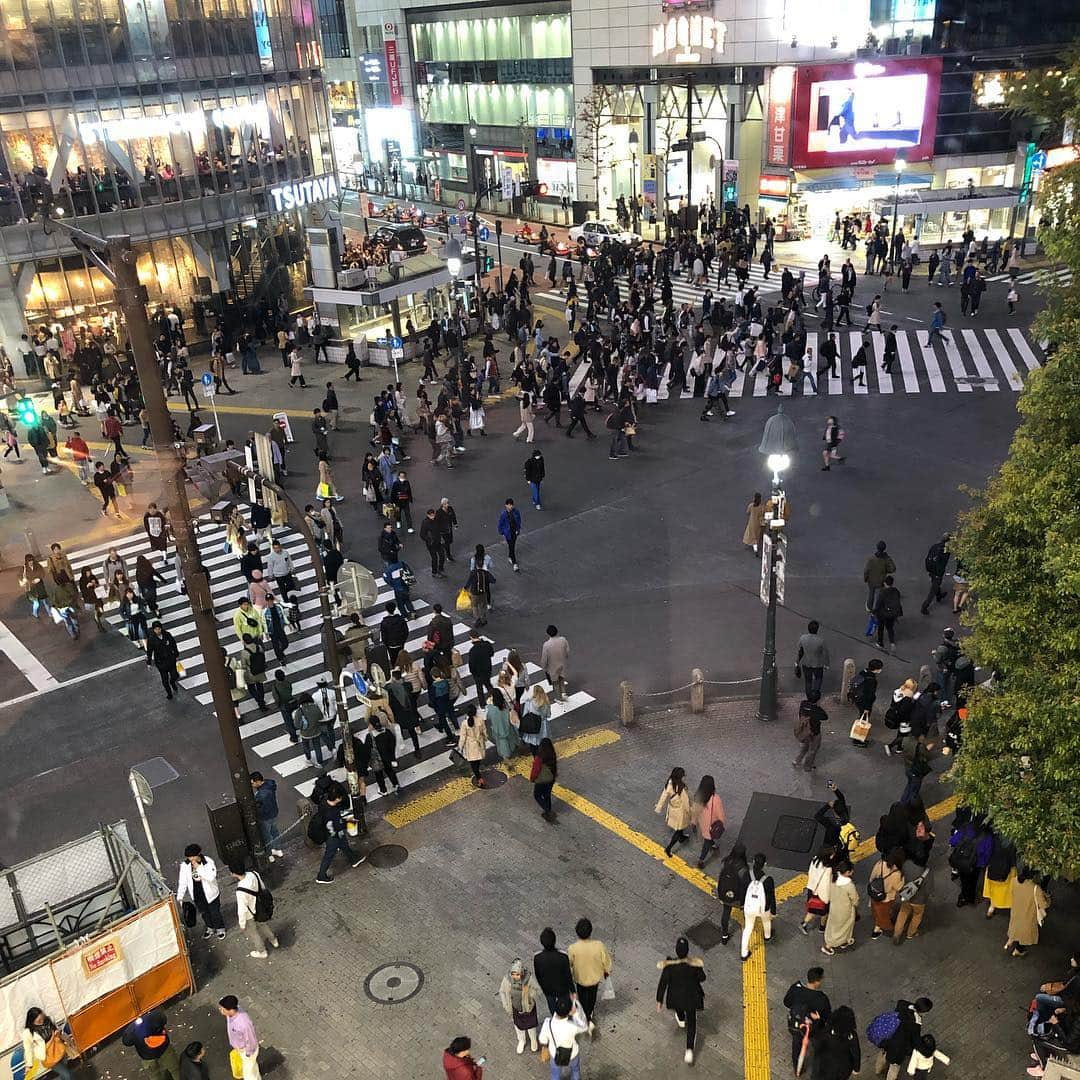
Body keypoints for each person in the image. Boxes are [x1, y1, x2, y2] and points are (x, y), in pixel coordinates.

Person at [655, 936, 706, 1064]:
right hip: (691, 997)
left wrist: (659, 1000)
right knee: (692, 1022)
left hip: (675, 997)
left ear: (676, 951)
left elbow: (663, 982)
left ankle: (681, 1020)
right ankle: (689, 1049)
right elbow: (702, 978)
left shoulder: (670, 965)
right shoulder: (693, 964)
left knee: (679, 1008)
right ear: (687, 950)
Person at [784, 967, 832, 1075]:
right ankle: (818, 1066)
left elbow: (786, 1002)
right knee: (818, 1045)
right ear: (817, 981)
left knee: (796, 1046)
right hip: (812, 1029)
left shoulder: (796, 988)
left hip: (795, 1025)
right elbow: (826, 1017)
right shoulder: (822, 998)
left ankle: (797, 1068)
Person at [567, 917, 612, 1034]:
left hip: (580, 979)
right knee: (592, 996)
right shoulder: (599, 945)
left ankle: (583, 1014)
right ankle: (589, 1012)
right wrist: (607, 971)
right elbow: (606, 961)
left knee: (581, 996)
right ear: (590, 931)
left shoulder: (573, 948)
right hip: (594, 980)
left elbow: (569, 963)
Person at [313, 786, 365, 883]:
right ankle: (321, 875)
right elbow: (338, 826)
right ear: (337, 798)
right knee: (329, 855)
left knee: (344, 844)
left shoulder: (324, 802)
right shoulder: (332, 812)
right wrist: (350, 822)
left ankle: (353, 859)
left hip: (329, 832)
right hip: (333, 836)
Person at [875, 998, 934, 1080]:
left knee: (883, 1054)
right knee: (894, 1067)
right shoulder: (915, 1025)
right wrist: (928, 1052)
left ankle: (878, 1070)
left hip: (887, 1038)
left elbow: (900, 1002)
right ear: (923, 1012)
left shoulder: (903, 1005)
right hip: (897, 1048)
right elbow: (917, 1042)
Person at [229, 862, 279, 958]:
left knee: (253, 933)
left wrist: (242, 924)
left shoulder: (240, 891)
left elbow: (242, 909)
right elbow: (262, 887)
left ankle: (262, 951)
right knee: (263, 925)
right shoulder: (254, 874)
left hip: (250, 914)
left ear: (233, 874)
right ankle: (273, 940)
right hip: (260, 908)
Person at [177, 843, 225, 939]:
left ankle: (220, 928)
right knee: (204, 913)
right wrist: (180, 896)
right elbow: (183, 881)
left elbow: (211, 877)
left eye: (192, 857)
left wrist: (198, 867)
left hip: (211, 894)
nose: (190, 860)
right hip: (197, 894)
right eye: (189, 858)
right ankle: (210, 928)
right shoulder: (185, 865)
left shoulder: (208, 861)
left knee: (215, 912)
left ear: (198, 855)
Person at [121, 1010, 182, 1080]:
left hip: (147, 1056)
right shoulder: (156, 1016)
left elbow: (127, 1042)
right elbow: (163, 1020)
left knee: (155, 1076)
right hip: (164, 1048)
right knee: (175, 1069)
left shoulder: (130, 1031)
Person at [1005, 865, 1050, 957]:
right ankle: (1018, 950)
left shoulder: (1014, 880)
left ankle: (1011, 939)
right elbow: (1044, 905)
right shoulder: (1035, 888)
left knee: (1015, 925)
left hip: (1016, 909)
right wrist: (1048, 898)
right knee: (1024, 932)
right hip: (1028, 913)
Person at [538, 997, 588, 1080]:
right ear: (569, 1011)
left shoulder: (548, 1023)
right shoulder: (574, 1025)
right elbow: (585, 1027)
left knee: (555, 1075)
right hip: (572, 1054)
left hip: (555, 1055)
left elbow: (542, 1039)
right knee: (575, 1070)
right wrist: (576, 1010)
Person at [499, 959, 540, 1054]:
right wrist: (505, 1004)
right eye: (513, 974)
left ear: (521, 973)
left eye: (517, 974)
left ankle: (533, 1040)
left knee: (531, 1026)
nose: (515, 976)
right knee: (518, 1026)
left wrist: (530, 993)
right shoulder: (507, 979)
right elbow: (502, 991)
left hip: (528, 1008)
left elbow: (537, 990)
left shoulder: (528, 979)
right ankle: (522, 1040)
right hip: (515, 1008)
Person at [741, 852, 776, 961]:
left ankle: (744, 953)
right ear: (765, 864)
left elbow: (742, 891)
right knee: (766, 921)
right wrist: (773, 911)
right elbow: (772, 896)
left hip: (749, 907)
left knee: (748, 928)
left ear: (753, 862)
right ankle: (767, 936)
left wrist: (742, 904)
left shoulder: (747, 875)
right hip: (763, 908)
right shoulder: (768, 879)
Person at [714, 841, 751, 945]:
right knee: (746, 915)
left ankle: (724, 935)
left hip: (725, 894)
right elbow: (746, 885)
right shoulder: (743, 869)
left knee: (726, 914)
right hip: (738, 898)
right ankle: (746, 934)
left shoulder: (727, 861)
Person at [811, 1005, 861, 1080]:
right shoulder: (851, 1035)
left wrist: (818, 1021)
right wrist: (856, 1068)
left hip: (823, 1068)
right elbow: (856, 1053)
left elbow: (816, 1042)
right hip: (843, 1069)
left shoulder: (828, 1030)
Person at [22, 1007, 74, 1079]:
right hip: (47, 1056)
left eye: (42, 1018)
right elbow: (28, 1049)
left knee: (64, 1074)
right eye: (39, 1021)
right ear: (31, 1021)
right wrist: (29, 1065)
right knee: (67, 1075)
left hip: (59, 1049)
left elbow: (59, 1031)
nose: (42, 1021)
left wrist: (64, 1037)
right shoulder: (28, 1033)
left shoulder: (48, 1020)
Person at [821, 860, 859, 955]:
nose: (852, 872)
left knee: (834, 926)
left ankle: (844, 941)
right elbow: (855, 899)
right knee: (844, 927)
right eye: (851, 871)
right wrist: (855, 904)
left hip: (834, 907)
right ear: (847, 872)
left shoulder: (833, 878)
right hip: (846, 910)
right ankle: (828, 946)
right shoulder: (849, 885)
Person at [217, 996, 260, 1080]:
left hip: (248, 1051)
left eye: (223, 1009)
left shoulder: (244, 1024)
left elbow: (250, 1039)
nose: (221, 1011)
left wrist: (248, 1054)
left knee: (248, 1075)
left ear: (231, 1010)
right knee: (252, 1069)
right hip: (241, 1049)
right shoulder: (231, 1013)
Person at [868, 847, 906, 940]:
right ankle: (886, 928)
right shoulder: (897, 873)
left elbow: (872, 876)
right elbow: (898, 887)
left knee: (876, 911)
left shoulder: (880, 863)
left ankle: (877, 927)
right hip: (886, 898)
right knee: (884, 914)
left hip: (874, 893)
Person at [655, 766, 693, 857]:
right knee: (679, 829)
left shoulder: (669, 783)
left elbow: (663, 796)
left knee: (680, 827)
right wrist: (690, 812)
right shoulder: (681, 788)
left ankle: (682, 837)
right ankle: (669, 848)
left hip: (672, 809)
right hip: (680, 811)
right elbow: (686, 802)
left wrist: (659, 807)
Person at [693, 774, 726, 869]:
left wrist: (694, 822)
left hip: (702, 824)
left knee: (707, 837)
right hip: (712, 825)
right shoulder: (716, 799)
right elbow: (720, 815)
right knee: (706, 843)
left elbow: (695, 812)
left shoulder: (698, 796)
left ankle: (713, 845)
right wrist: (722, 823)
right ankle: (701, 859)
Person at [250, 772, 284, 860]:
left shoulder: (261, 795)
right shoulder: (269, 784)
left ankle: (269, 854)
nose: (252, 785)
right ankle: (278, 849)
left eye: (252, 783)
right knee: (274, 832)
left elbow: (259, 807)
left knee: (266, 836)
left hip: (265, 817)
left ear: (257, 782)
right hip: (273, 813)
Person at [146, 621, 181, 699]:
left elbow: (173, 644)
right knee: (165, 680)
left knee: (175, 675)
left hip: (170, 659)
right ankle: (169, 693)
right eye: (156, 629)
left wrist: (176, 654)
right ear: (153, 630)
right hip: (160, 662)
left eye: (159, 629)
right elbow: (149, 651)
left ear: (161, 628)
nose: (157, 631)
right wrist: (149, 662)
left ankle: (172, 682)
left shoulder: (167, 635)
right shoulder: (151, 639)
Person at [457, 703, 488, 787]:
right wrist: (485, 739)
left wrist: (460, 747)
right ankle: (479, 776)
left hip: (470, 746)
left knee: (473, 763)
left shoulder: (464, 723)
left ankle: (479, 778)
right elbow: (484, 732)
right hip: (479, 743)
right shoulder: (480, 720)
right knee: (478, 761)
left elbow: (462, 737)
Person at [920, 534, 951, 616]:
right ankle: (924, 606)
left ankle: (939, 595)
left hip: (931, 569)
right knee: (933, 589)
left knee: (935, 584)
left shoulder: (935, 546)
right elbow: (943, 563)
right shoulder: (945, 551)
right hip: (938, 573)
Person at [863, 541, 896, 614]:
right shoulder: (885, 560)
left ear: (877, 547)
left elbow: (866, 570)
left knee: (871, 594)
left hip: (871, 581)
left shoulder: (871, 559)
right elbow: (893, 569)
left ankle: (869, 607)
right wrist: (888, 562)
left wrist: (865, 578)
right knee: (878, 595)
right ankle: (876, 609)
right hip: (880, 582)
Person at [794, 699, 827, 771]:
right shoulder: (816, 709)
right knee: (813, 750)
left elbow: (800, 714)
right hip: (814, 732)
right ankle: (807, 766)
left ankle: (797, 761)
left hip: (805, 732)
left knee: (805, 748)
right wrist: (819, 708)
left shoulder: (803, 703)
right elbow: (825, 717)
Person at [530, 735, 557, 821]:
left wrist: (532, 779)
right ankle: (548, 810)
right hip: (551, 779)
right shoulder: (552, 755)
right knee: (547, 795)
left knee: (537, 795)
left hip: (541, 781)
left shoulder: (539, 758)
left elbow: (535, 771)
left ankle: (547, 810)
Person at [874, 575, 904, 653]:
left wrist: (874, 612)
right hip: (892, 614)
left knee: (881, 628)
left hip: (883, 614)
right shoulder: (896, 591)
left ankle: (880, 642)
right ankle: (892, 642)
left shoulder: (882, 592)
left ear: (884, 583)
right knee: (890, 628)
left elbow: (878, 605)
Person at [540, 624, 569, 702]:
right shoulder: (563, 640)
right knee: (561, 678)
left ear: (548, 634)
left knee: (555, 682)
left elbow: (544, 658)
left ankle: (559, 698)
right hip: (562, 663)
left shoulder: (546, 645)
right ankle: (564, 693)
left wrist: (544, 667)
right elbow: (567, 651)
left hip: (552, 666)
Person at [498, 498, 522, 571]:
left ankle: (510, 556)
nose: (510, 506)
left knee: (512, 546)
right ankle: (515, 564)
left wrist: (518, 529)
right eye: (509, 505)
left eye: (511, 505)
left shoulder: (516, 512)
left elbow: (519, 520)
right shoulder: (503, 514)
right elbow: (500, 524)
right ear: (506, 505)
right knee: (511, 546)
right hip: (508, 533)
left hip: (514, 532)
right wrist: (502, 532)